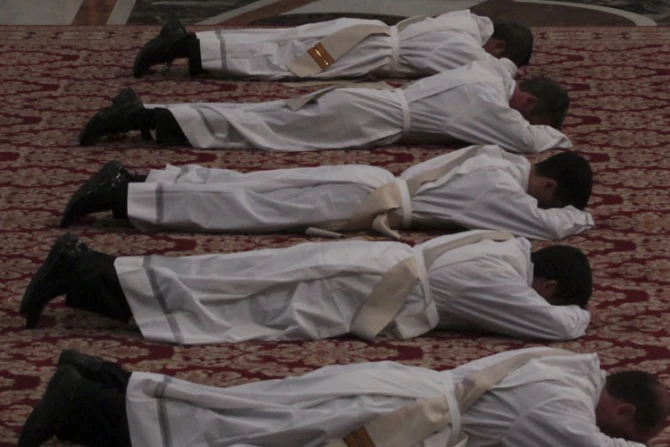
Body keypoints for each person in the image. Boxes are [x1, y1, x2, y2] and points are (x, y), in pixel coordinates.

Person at [20, 230, 593, 343]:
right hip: (361, 288)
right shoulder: (502, 277)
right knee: (225, 306)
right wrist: (583, 315)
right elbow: (554, 328)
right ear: (546, 284)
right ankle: (83, 271)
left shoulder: (502, 243)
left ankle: (89, 272)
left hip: (367, 262)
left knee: (224, 279)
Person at [19, 348, 670, 447]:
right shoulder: (564, 406)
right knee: (241, 434)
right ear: (621, 411)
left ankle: (103, 377)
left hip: (402, 387)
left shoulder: (566, 366)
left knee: (246, 406)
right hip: (400, 419)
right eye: (623, 433)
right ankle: (81, 405)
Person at [58, 145, 594, 242]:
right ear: (548, 186)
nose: (539, 206)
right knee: (244, 207)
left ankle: (140, 181)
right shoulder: (505, 191)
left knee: (250, 185)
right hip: (366, 201)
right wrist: (581, 217)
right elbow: (545, 227)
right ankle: (120, 198)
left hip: (369, 178)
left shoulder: (497, 157)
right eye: (547, 198)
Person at [79, 57, 570, 154]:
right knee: (252, 130)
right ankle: (140, 116)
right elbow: (528, 141)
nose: (524, 118)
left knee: (256, 117)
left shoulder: (487, 72)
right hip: (369, 116)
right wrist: (556, 134)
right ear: (526, 100)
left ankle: (146, 111)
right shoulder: (490, 104)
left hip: (367, 100)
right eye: (532, 113)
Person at [132, 12, 533, 79]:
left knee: (279, 40)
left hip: (357, 31)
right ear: (496, 45)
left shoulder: (465, 21)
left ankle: (192, 41)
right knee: (281, 59)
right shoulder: (467, 46)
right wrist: (509, 69)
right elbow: (488, 70)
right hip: (357, 51)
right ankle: (184, 47)